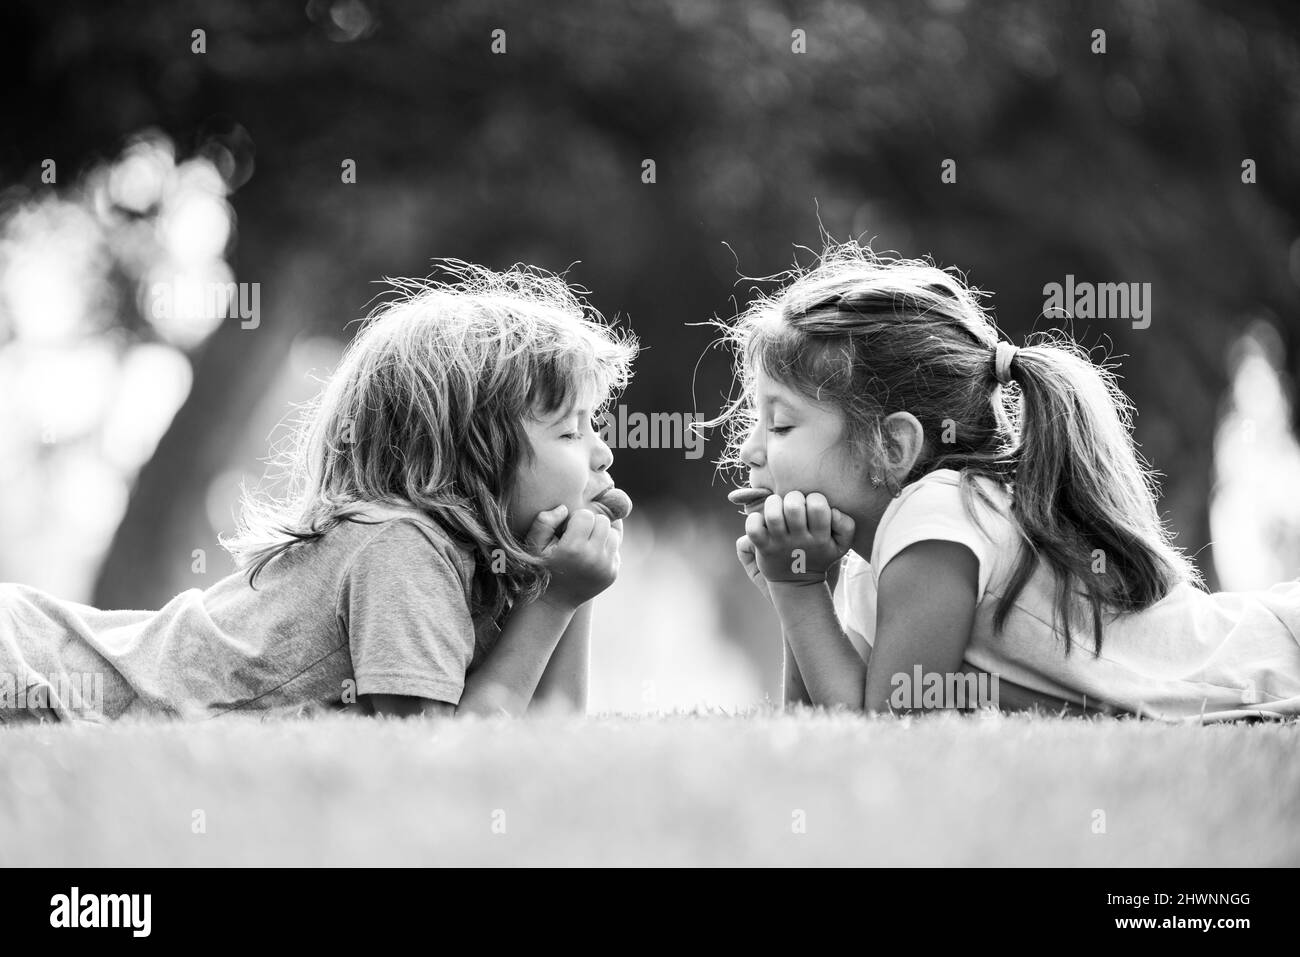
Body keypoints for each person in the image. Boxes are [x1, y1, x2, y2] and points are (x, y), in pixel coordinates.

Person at [0, 262, 636, 725]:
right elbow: (442, 759)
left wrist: (571, 588)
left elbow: (550, 734)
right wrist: (552, 599)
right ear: (471, 450)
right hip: (31, 670)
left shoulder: (468, 565)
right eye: (571, 430)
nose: (602, 452)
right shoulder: (402, 546)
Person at [713, 241, 1300, 721]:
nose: (748, 448)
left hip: (1270, 665)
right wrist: (797, 580)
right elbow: (812, 720)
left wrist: (800, 590)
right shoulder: (881, 560)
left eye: (781, 423)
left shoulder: (936, 517)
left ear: (892, 446)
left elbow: (882, 726)